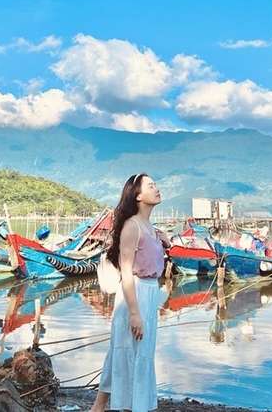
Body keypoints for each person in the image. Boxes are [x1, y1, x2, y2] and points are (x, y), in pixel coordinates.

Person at [89, 173, 172, 412]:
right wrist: (134, 313)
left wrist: (164, 242)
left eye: (155, 184)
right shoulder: (131, 226)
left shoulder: (150, 228)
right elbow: (126, 272)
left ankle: (101, 407)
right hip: (132, 295)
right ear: (137, 195)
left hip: (149, 293)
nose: (156, 189)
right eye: (151, 186)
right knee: (127, 352)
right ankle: (127, 407)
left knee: (137, 352)